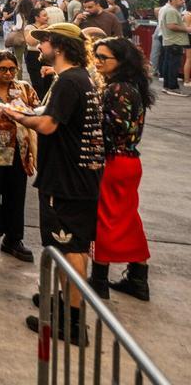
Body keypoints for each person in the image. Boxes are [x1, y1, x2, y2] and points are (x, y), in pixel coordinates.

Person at [2, 23, 104, 340]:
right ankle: (65, 307)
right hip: (81, 176)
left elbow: (47, 125)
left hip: (67, 180)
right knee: (72, 248)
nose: (39, 49)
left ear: (57, 47)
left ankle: (72, 323)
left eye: (43, 43)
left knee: (68, 249)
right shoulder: (83, 79)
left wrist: (16, 114)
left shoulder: (70, 82)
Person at [88, 37, 153, 302]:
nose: (98, 62)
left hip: (113, 162)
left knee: (103, 219)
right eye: (97, 56)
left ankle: (99, 280)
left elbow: (112, 129)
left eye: (104, 58)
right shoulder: (130, 86)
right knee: (127, 219)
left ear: (121, 61)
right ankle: (138, 277)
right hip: (128, 162)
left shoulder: (117, 89)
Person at [0, 51, 37, 263]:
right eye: (3, 69)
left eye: (12, 69)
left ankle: (13, 238)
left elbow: (36, 110)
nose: (8, 73)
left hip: (18, 148)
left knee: (16, 194)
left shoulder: (23, 88)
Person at [156, 0, 188, 96]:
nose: (183, 1)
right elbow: (171, 26)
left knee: (169, 64)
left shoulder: (171, 10)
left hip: (171, 41)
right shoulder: (171, 11)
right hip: (174, 42)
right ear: (172, 0)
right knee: (173, 65)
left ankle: (167, 86)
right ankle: (172, 87)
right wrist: (187, 29)